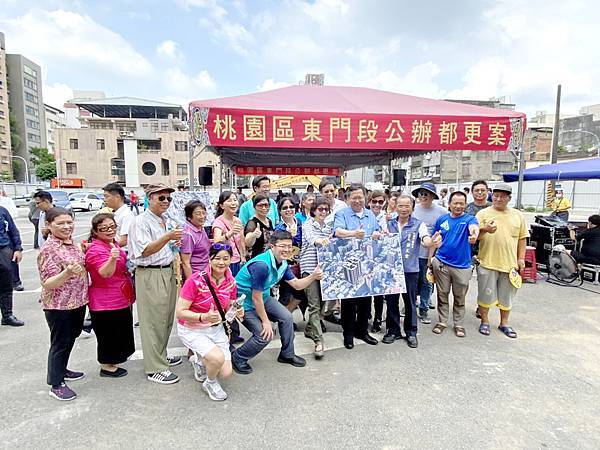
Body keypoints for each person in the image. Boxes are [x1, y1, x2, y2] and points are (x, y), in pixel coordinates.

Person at [231, 230, 323, 374]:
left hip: (263, 297)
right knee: (264, 335)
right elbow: (256, 298)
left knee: (286, 317)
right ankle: (238, 357)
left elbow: (297, 285)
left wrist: (313, 276)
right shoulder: (261, 265)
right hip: (244, 304)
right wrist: (266, 322)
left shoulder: (283, 263)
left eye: (289, 246)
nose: (287, 249)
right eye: (282, 246)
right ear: (272, 246)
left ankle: (287, 354)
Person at [128, 184, 183, 384]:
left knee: (166, 319)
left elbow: (164, 246)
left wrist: (173, 243)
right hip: (150, 273)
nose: (166, 202)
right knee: (153, 321)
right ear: (149, 198)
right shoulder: (140, 222)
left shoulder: (164, 219)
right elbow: (144, 251)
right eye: (161, 198)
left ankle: (160, 355)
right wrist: (168, 237)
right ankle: (155, 368)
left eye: (168, 198)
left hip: (167, 270)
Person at [176, 243, 244, 401]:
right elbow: (180, 312)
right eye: (217, 258)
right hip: (192, 329)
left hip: (216, 329)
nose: (221, 262)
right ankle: (210, 383)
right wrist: (203, 317)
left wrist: (237, 311)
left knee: (226, 373)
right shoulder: (195, 280)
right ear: (209, 259)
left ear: (231, 259)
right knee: (217, 358)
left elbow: (229, 307)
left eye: (225, 259)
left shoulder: (231, 282)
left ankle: (199, 361)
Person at [38, 207, 88, 401]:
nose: (67, 226)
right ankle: (56, 383)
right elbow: (47, 283)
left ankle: (62, 369)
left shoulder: (71, 243)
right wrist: (67, 273)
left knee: (71, 337)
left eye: (69, 222)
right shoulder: (48, 249)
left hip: (77, 301)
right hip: (59, 306)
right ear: (49, 225)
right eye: (61, 223)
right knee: (60, 342)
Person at [383, 195, 438, 348]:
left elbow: (425, 240)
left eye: (407, 206)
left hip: (410, 270)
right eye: (400, 206)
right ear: (396, 207)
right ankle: (393, 330)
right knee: (392, 301)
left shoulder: (419, 224)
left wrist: (431, 242)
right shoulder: (388, 223)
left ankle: (411, 332)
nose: (404, 209)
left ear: (412, 208)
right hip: (391, 269)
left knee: (410, 302)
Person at [84, 213, 135, 378]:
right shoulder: (95, 250)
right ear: (95, 231)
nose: (109, 230)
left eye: (112, 227)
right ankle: (106, 366)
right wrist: (113, 259)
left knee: (119, 331)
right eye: (104, 228)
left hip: (120, 295)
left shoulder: (111, 244)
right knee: (108, 334)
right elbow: (104, 273)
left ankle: (114, 360)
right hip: (105, 300)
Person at [476, 183, 528, 339]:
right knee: (485, 294)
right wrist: (484, 229)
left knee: (507, 296)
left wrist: (521, 258)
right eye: (496, 196)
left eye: (503, 196)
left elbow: (522, 239)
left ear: (509, 198)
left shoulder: (518, 215)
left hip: (510, 264)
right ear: (492, 196)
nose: (499, 199)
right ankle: (485, 321)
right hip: (488, 261)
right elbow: (474, 236)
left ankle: (504, 323)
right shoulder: (483, 214)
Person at [333, 184, 381, 349]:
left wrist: (377, 234)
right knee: (349, 300)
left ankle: (362, 331)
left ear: (365, 198)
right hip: (349, 263)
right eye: (354, 197)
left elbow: (377, 232)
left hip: (367, 263)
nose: (357, 200)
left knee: (365, 299)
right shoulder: (342, 214)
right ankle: (348, 334)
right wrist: (353, 233)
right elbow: (337, 232)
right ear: (347, 199)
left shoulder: (370, 215)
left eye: (360, 197)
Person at [430, 191, 479, 338]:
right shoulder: (442, 219)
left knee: (460, 297)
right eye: (455, 203)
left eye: (461, 203)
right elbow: (435, 238)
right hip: (441, 263)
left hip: (462, 266)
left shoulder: (470, 219)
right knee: (442, 294)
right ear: (449, 204)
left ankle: (458, 324)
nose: (458, 206)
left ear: (465, 204)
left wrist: (474, 235)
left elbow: (474, 228)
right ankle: (442, 321)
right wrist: (430, 259)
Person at [300, 197, 332, 359]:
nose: (323, 212)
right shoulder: (307, 225)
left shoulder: (329, 227)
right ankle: (319, 342)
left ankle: (309, 329)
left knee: (323, 303)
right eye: (320, 209)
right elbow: (313, 240)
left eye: (326, 209)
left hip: (325, 269)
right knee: (314, 305)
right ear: (314, 210)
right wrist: (324, 241)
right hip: (309, 269)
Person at [412, 182, 447, 324]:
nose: (423, 196)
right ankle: (411, 305)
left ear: (433, 196)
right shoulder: (413, 209)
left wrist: (433, 255)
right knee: (412, 283)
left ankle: (424, 308)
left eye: (426, 194)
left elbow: (444, 233)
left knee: (427, 282)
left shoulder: (442, 212)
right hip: (412, 254)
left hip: (430, 254)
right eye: (421, 193)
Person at [318, 177, 347, 325]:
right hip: (321, 249)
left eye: (332, 190)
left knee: (338, 281)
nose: (329, 193)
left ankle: (330, 312)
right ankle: (318, 317)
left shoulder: (342, 206)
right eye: (326, 191)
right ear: (320, 192)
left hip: (340, 248)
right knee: (322, 283)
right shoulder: (317, 205)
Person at [275, 197, 307, 321]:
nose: (288, 210)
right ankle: (282, 320)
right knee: (286, 294)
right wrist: (290, 236)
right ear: (280, 211)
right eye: (285, 208)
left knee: (300, 294)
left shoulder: (301, 223)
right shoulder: (279, 227)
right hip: (285, 265)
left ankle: (285, 317)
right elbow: (279, 248)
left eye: (291, 207)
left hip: (302, 264)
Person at [367, 190, 388, 333]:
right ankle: (366, 315)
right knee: (366, 290)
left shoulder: (388, 218)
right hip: (366, 257)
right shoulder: (364, 216)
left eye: (380, 202)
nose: (377, 204)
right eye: (374, 201)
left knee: (379, 292)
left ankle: (378, 319)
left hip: (381, 258)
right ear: (369, 202)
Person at [0, 205, 24, 326]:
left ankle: (7, 315)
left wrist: (18, 248)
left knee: (6, 286)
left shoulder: (2, 211)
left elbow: (13, 230)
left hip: (3, 249)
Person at [213, 191, 246, 276]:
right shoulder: (218, 222)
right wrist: (230, 233)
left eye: (235, 200)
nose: (233, 203)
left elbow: (241, 241)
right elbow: (216, 241)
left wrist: (243, 257)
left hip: (238, 261)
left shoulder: (238, 220)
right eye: (229, 201)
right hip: (226, 262)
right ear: (222, 206)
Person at [180, 200, 210, 280]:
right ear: (189, 217)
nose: (202, 216)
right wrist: (191, 283)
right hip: (196, 276)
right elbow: (185, 263)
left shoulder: (200, 228)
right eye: (198, 214)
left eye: (204, 213)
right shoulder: (188, 234)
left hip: (205, 273)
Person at [103, 183, 135, 247]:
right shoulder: (116, 213)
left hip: (122, 251)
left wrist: (103, 247)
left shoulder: (127, 215)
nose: (104, 199)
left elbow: (124, 241)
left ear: (117, 197)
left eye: (107, 196)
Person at [243, 194, 273, 259]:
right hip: (257, 259)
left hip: (268, 258)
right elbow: (247, 243)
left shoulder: (269, 220)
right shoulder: (252, 223)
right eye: (260, 205)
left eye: (266, 205)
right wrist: (253, 235)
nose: (264, 208)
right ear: (254, 207)